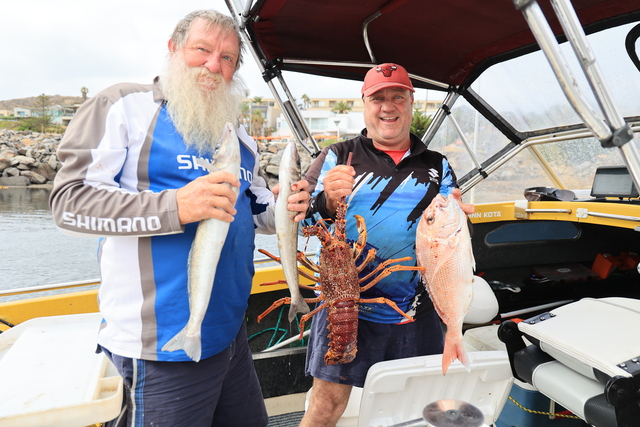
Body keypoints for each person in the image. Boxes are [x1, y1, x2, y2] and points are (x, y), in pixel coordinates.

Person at [49, 10, 310, 427]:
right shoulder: (124, 106)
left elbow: (254, 206)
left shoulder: (238, 136)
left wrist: (285, 205)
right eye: (202, 50)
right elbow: (69, 202)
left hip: (230, 338)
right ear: (173, 48)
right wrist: (175, 207)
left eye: (227, 58)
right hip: (157, 351)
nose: (213, 65)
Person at [299, 63, 474, 427]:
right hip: (343, 308)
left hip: (415, 311)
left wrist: (461, 216)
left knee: (414, 410)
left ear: (411, 103)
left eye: (398, 96)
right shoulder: (336, 156)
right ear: (364, 104)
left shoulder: (437, 165)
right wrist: (326, 202)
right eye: (378, 98)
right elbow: (300, 223)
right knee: (325, 407)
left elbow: (453, 235)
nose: (388, 106)